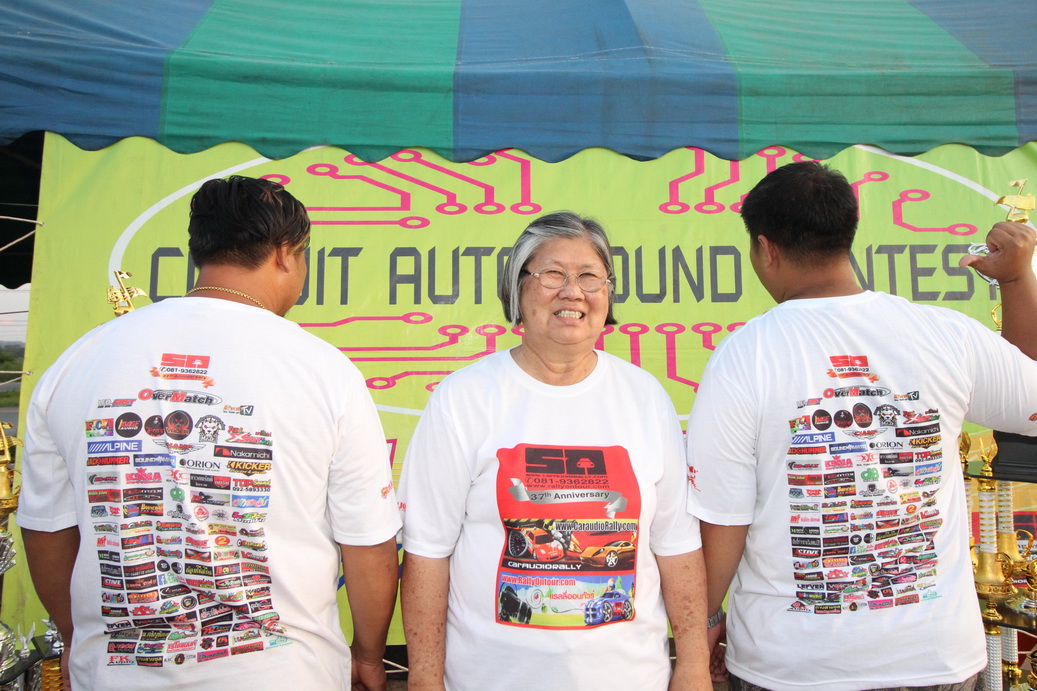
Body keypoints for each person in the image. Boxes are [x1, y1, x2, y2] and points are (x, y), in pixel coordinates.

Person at [17, 176, 401, 690]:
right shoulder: (324, 371)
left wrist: (77, 637)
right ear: (286, 253)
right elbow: (368, 544)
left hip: (116, 674)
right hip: (281, 675)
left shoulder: (78, 363)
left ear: (200, 249)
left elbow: (46, 529)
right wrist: (369, 654)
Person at [686, 160, 1037, 691]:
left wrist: (703, 628)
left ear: (766, 248)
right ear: (847, 235)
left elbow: (723, 520)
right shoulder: (944, 333)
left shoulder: (745, 354)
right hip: (935, 657)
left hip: (793, 666)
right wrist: (1014, 279)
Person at [398, 212, 711, 690]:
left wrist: (692, 666)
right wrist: (423, 679)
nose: (573, 292)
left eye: (589, 276)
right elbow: (427, 552)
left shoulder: (645, 397)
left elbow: (676, 545)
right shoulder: (464, 398)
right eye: (552, 274)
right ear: (516, 289)